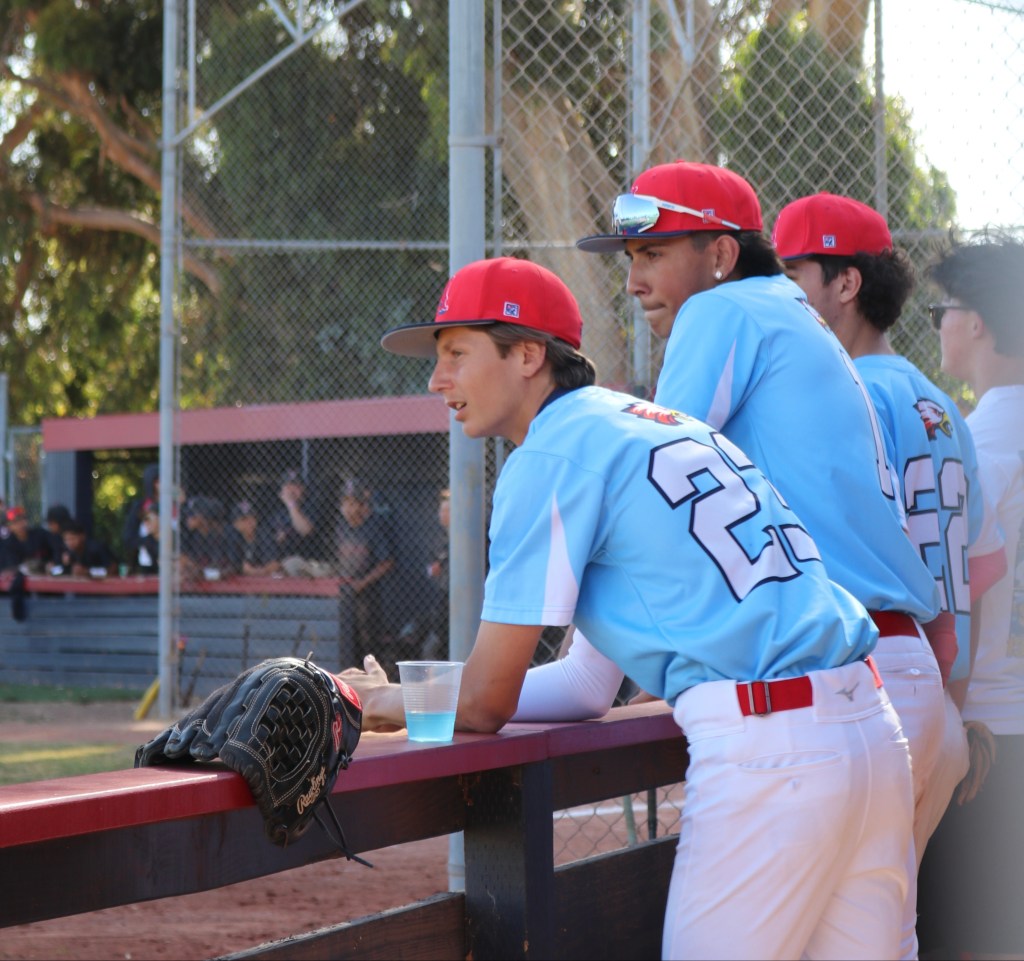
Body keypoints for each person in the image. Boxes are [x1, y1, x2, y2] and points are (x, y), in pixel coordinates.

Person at [343, 256, 914, 959]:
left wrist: (382, 700)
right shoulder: (651, 422)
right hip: (872, 732)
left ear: (528, 354)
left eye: (456, 352)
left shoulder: (548, 453)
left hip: (773, 749)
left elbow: (489, 702)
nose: (437, 380)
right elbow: (587, 686)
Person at [573, 161, 941, 959]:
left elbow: (657, 482)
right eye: (628, 259)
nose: (634, 280)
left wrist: (590, 666)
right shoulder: (790, 314)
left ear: (720, 255)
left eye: (654, 252)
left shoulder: (721, 312)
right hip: (886, 685)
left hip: (816, 698)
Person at [771, 192, 1008, 870]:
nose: (778, 299)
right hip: (935, 704)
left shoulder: (847, 394)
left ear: (846, 283)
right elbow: (982, 568)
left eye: (793, 277)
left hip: (864, 701)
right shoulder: (939, 404)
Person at [915, 233, 1024, 959]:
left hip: (981, 729)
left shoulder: (969, 446)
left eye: (941, 311)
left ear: (977, 322)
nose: (941, 325)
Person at [333, 477, 399, 676]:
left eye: (353, 503)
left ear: (363, 506)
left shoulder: (374, 527)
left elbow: (387, 562)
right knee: (346, 640)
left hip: (369, 595)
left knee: (367, 640)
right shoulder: (341, 527)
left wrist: (362, 583)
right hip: (346, 592)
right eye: (345, 503)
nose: (348, 508)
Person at [268, 469, 324, 575]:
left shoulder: (312, 507)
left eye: (296, 486)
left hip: (310, 564)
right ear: (281, 492)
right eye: (288, 486)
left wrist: (291, 505)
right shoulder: (278, 515)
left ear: (303, 490)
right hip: (283, 566)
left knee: (293, 563)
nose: (292, 490)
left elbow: (305, 530)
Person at [421, 487, 450, 658]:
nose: (443, 514)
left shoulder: (465, 537)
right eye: (441, 510)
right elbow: (431, 568)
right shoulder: (439, 538)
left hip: (455, 596)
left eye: (447, 510)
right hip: (442, 595)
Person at [224, 499, 282, 577]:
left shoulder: (264, 535)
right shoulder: (231, 537)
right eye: (244, 519)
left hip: (265, 581)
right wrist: (244, 568)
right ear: (235, 524)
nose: (250, 522)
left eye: (252, 517)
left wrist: (259, 571)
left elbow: (274, 563)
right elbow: (231, 565)